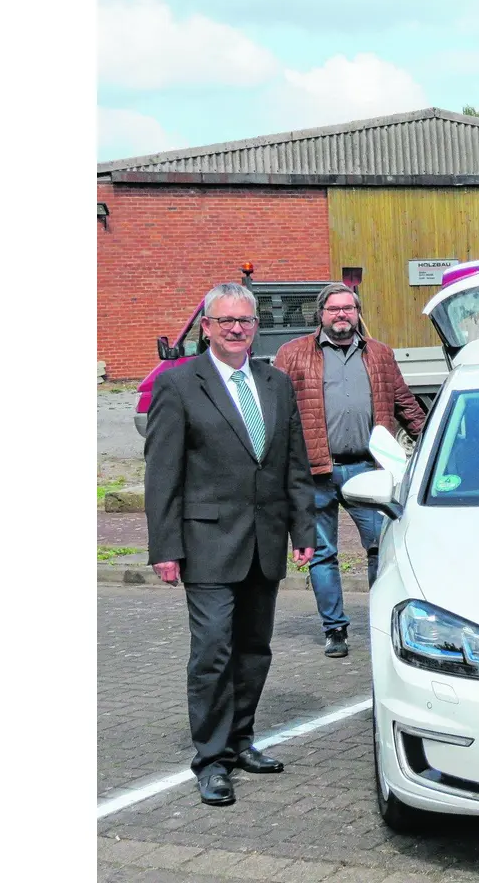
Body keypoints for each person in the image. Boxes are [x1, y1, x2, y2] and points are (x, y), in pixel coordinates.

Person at [144, 282, 317, 807]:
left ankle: (242, 740)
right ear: (207, 327)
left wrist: (303, 531)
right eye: (226, 322)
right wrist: (165, 547)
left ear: (254, 326)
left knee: (253, 650)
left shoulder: (276, 383)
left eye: (245, 321)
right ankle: (212, 760)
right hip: (207, 544)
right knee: (213, 653)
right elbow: (162, 474)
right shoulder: (178, 385)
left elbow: (294, 464)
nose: (236, 329)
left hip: (264, 542)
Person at [273, 283, 426, 658]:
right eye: (333, 309)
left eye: (348, 309)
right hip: (315, 473)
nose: (341, 315)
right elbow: (274, 410)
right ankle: (335, 630)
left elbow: (404, 403)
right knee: (322, 554)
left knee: (380, 548)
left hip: (367, 472)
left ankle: (381, 621)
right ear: (320, 314)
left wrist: (435, 443)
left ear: (357, 313)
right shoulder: (292, 355)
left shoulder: (379, 355)